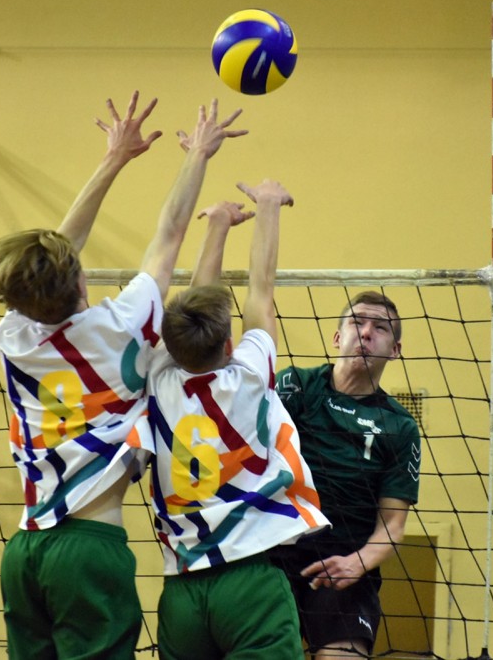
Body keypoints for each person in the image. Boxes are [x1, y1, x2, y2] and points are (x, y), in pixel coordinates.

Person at [0, 92, 247, 660]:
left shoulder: (14, 337)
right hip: (89, 547)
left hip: (23, 549)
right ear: (80, 280)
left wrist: (113, 159)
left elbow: (53, 255)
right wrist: (198, 153)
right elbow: (170, 233)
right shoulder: (125, 326)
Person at [146, 180, 331, 660]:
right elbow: (260, 294)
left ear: (171, 345)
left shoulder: (157, 381)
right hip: (249, 576)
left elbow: (195, 301)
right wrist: (268, 205)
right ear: (229, 344)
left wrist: (217, 226)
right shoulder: (249, 376)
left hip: (181, 586)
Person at [270, 291, 421, 659]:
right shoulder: (297, 385)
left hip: (343, 562)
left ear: (395, 350)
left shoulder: (400, 426)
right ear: (338, 337)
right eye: (357, 322)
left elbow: (393, 526)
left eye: (380, 328)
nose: (366, 332)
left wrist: (358, 563)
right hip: (273, 552)